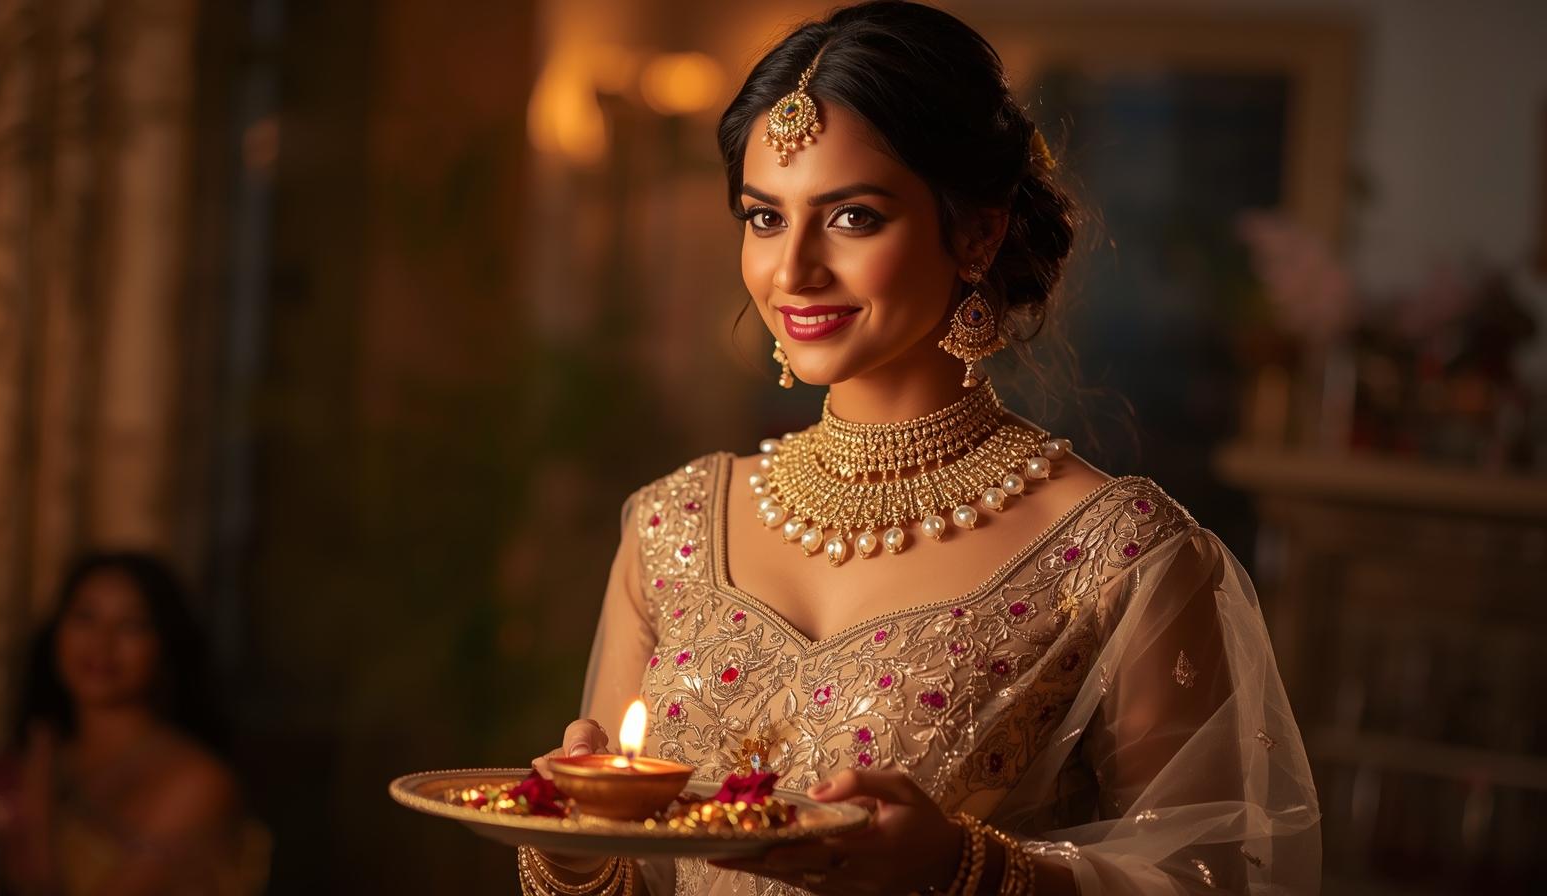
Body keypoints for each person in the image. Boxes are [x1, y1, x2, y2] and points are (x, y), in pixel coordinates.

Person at [528, 3, 1320, 894]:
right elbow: (626, 868)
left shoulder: (1124, 557)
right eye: (764, 218)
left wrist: (963, 868)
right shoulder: (671, 530)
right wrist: (573, 853)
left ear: (977, 232)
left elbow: (1211, 880)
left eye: (852, 217)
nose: (792, 272)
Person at [0, 551, 268, 895]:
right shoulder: (37, 753)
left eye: (131, 625)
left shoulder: (198, 783)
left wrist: (37, 803)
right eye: (85, 617)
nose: (101, 643)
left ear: (165, 646)